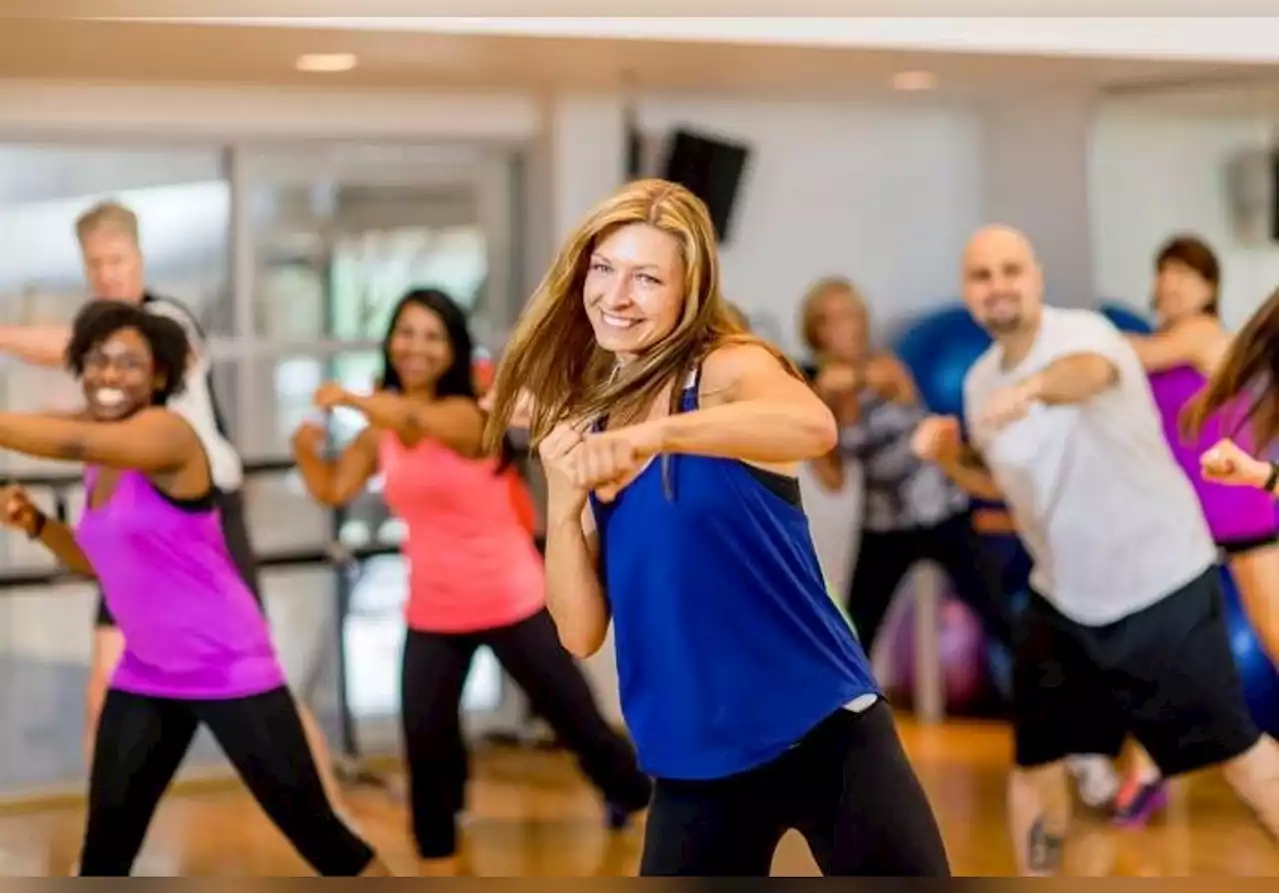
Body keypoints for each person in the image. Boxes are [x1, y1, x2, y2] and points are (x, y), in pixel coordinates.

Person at [483, 179, 950, 877]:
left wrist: (657, 435)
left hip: (823, 727)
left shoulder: (729, 369)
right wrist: (564, 494)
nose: (616, 296)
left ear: (687, 291)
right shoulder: (596, 419)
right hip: (692, 756)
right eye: (604, 270)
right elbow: (580, 632)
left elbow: (813, 424)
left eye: (646, 278)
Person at [911, 224, 1280, 876]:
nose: (998, 286)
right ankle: (1039, 873)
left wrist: (1031, 389)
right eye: (982, 275)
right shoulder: (977, 382)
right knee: (1034, 763)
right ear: (968, 294)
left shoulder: (1084, 335)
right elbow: (1000, 481)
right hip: (1064, 602)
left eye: (1010, 270)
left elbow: (1088, 375)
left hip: (1162, 585)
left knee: (1241, 757)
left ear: (1036, 277)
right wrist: (950, 458)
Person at [0, 300, 390, 876]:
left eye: (130, 362)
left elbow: (69, 441)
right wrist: (37, 524)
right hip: (146, 672)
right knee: (104, 854)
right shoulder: (102, 458)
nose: (110, 373)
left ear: (160, 375)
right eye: (98, 360)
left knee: (325, 843)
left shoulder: (168, 435)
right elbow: (100, 562)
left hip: (228, 668)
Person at [289, 288, 652, 877]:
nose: (416, 347)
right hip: (433, 604)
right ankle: (437, 850)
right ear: (390, 342)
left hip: (509, 593)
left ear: (453, 348)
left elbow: (420, 420)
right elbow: (334, 488)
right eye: (406, 333)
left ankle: (633, 798)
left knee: (576, 720)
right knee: (425, 738)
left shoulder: (473, 410)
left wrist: (352, 396)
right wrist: (305, 453)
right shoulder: (379, 426)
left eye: (432, 336)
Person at [0, 200, 347, 811]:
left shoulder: (164, 323)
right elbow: (75, 421)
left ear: (138, 257)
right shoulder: (104, 356)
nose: (108, 273)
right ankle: (104, 839)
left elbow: (69, 359)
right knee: (102, 693)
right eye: (95, 264)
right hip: (129, 522)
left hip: (198, 519)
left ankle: (332, 810)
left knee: (263, 687)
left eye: (117, 259)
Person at [1115, 235, 1280, 823]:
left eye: (1187, 274)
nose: (1173, 284)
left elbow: (1129, 354)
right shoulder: (1168, 342)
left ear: (1211, 289)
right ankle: (1145, 768)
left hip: (1240, 514)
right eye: (1165, 272)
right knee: (1160, 649)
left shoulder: (1199, 336)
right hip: (1181, 525)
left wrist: (1062, 342)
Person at [798, 276, 1013, 659]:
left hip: (941, 508)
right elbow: (833, 479)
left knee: (999, 616)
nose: (846, 327)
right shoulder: (818, 397)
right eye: (832, 319)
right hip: (884, 523)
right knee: (853, 634)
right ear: (817, 331)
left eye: (851, 315)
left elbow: (885, 384)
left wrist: (840, 381)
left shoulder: (885, 365)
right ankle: (842, 717)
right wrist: (813, 424)